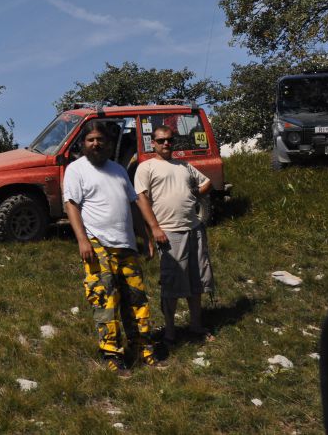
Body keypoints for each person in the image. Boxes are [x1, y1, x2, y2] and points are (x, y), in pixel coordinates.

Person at [63, 120, 168, 373]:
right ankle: (111, 354)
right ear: (83, 144)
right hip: (98, 244)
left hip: (126, 245)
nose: (96, 144)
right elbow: (72, 206)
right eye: (91, 140)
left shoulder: (119, 170)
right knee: (106, 301)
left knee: (136, 300)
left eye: (101, 140)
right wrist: (82, 241)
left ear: (109, 144)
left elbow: (133, 204)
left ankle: (142, 348)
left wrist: (144, 238)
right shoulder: (76, 170)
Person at [134, 125, 215, 344]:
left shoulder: (184, 165)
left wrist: (195, 194)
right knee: (171, 283)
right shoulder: (146, 167)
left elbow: (208, 182)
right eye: (161, 141)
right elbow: (141, 198)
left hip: (194, 229)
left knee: (196, 279)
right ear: (153, 143)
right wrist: (155, 229)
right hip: (169, 232)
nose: (166, 144)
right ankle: (170, 331)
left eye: (170, 140)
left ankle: (195, 326)